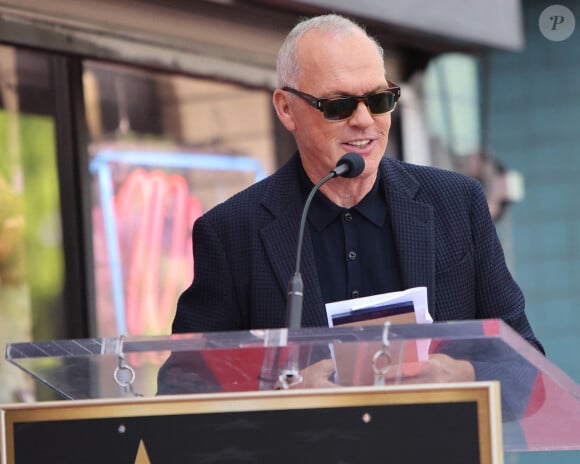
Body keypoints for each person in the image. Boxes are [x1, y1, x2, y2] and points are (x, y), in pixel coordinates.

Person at [169, 13, 543, 387]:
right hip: (306, 446)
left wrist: (465, 373)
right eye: (339, 105)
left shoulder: (457, 203)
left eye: (379, 100)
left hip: (436, 444)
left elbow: (526, 363)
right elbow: (185, 385)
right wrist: (284, 393)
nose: (365, 120)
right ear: (286, 109)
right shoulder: (231, 230)